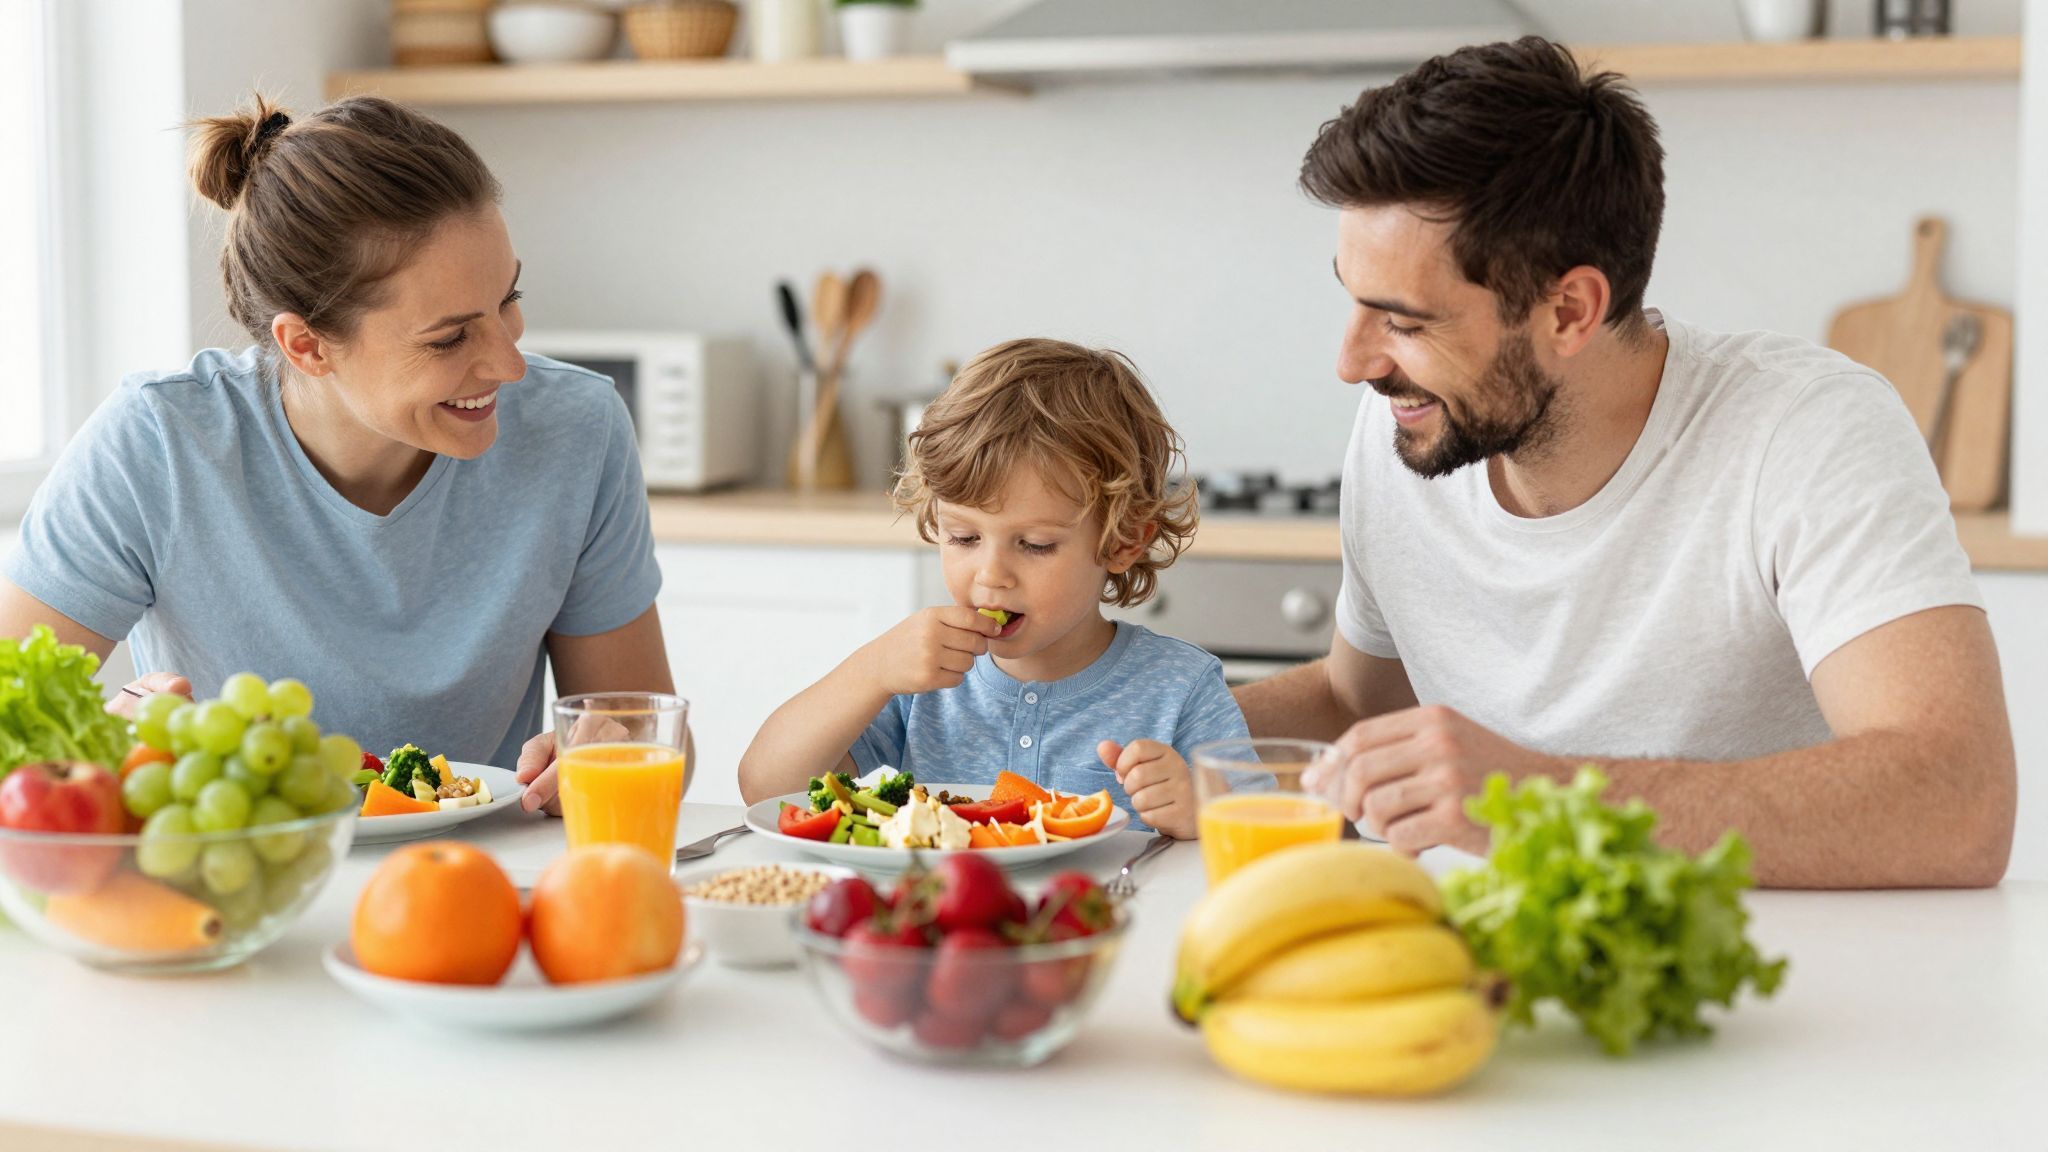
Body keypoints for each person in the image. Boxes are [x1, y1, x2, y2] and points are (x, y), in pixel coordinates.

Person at [1236, 37, 2015, 887]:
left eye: (1406, 323)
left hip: (1765, 963)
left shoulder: (1806, 431)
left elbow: (1959, 802)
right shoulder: (1408, 427)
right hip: (1480, 948)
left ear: (1570, 310)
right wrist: (1152, 730)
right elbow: (1357, 705)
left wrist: (1536, 800)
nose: (1353, 362)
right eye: (1353, 301)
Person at [0, 95, 674, 814]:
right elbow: (12, 726)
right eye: (449, 338)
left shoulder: (576, 428)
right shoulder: (158, 446)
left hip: (484, 871)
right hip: (242, 871)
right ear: (307, 345)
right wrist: (112, 746)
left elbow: (645, 735)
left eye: (509, 300)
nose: (510, 365)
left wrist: (608, 753)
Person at [738, 339, 1247, 837]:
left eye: (1035, 544)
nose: (990, 574)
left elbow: (1258, 832)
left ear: (1123, 542)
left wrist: (1200, 812)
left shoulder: (1181, 686)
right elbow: (766, 788)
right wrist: (871, 672)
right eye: (964, 537)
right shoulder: (920, 683)